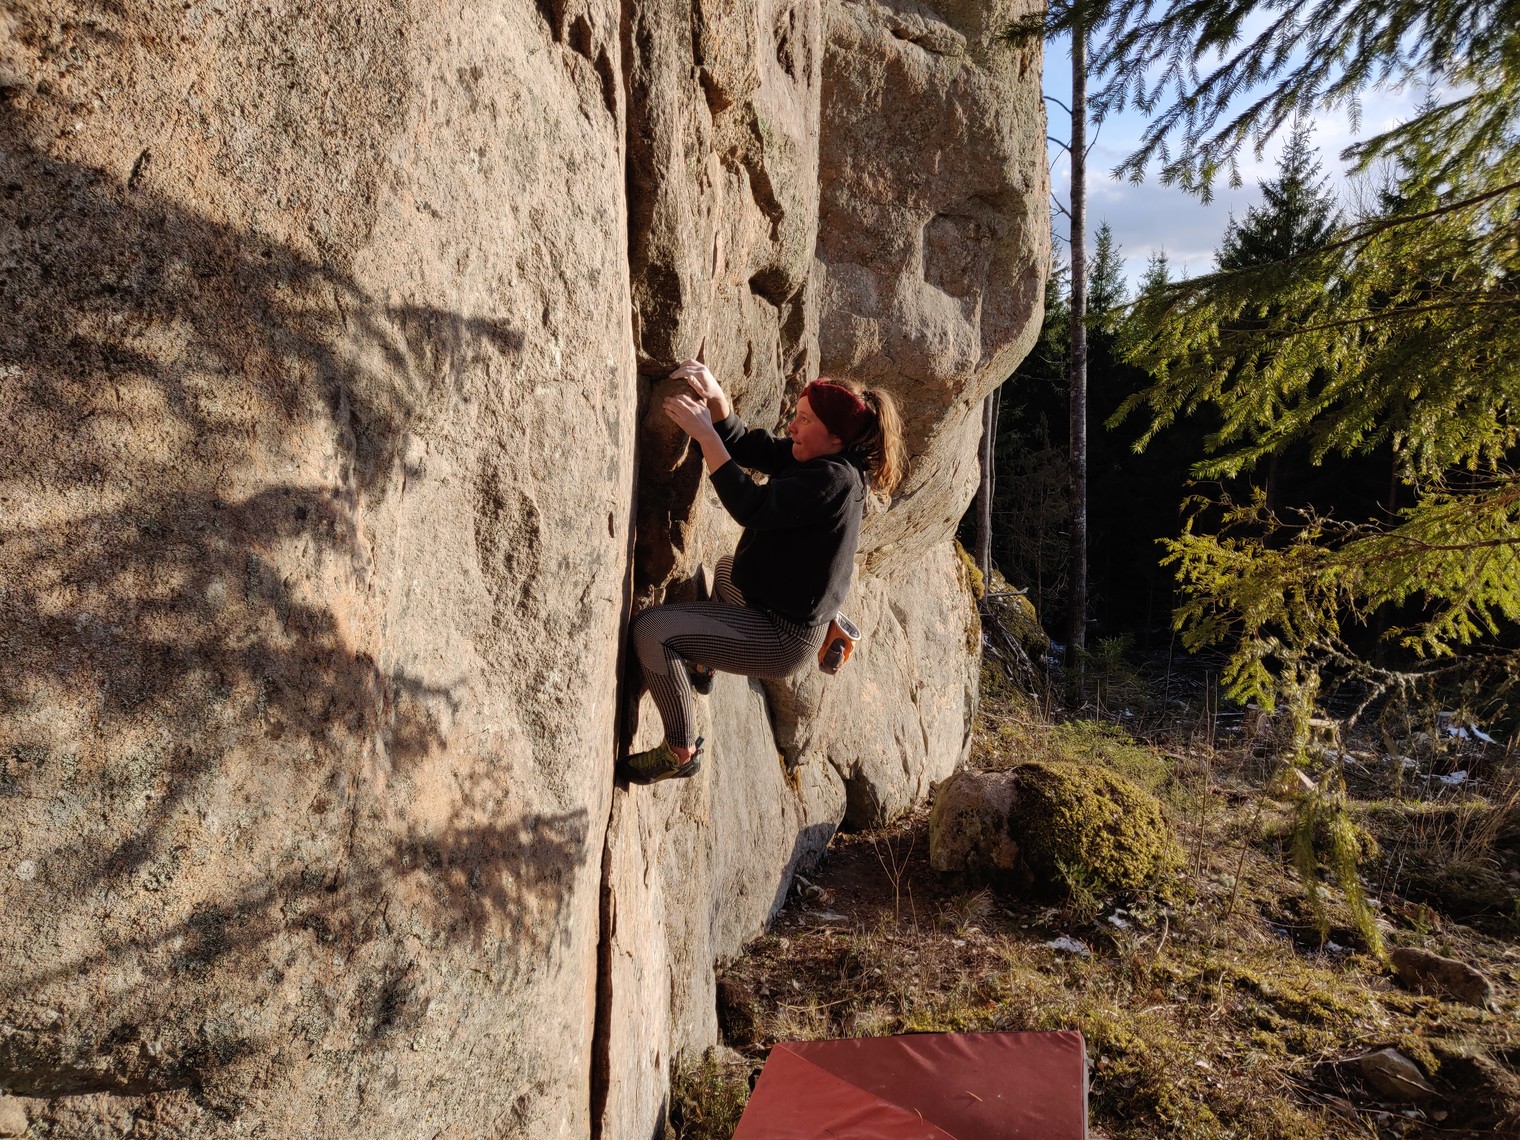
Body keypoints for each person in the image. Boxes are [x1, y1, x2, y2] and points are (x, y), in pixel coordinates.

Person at [619, 358, 906, 784]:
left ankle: (680, 750)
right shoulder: (818, 456)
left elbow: (751, 507)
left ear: (835, 437)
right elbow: (753, 448)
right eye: (797, 415)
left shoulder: (834, 480)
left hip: (782, 638)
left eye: (804, 420)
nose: (792, 426)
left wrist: (705, 436)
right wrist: (718, 404)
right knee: (726, 570)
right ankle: (703, 665)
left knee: (650, 630)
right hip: (771, 606)